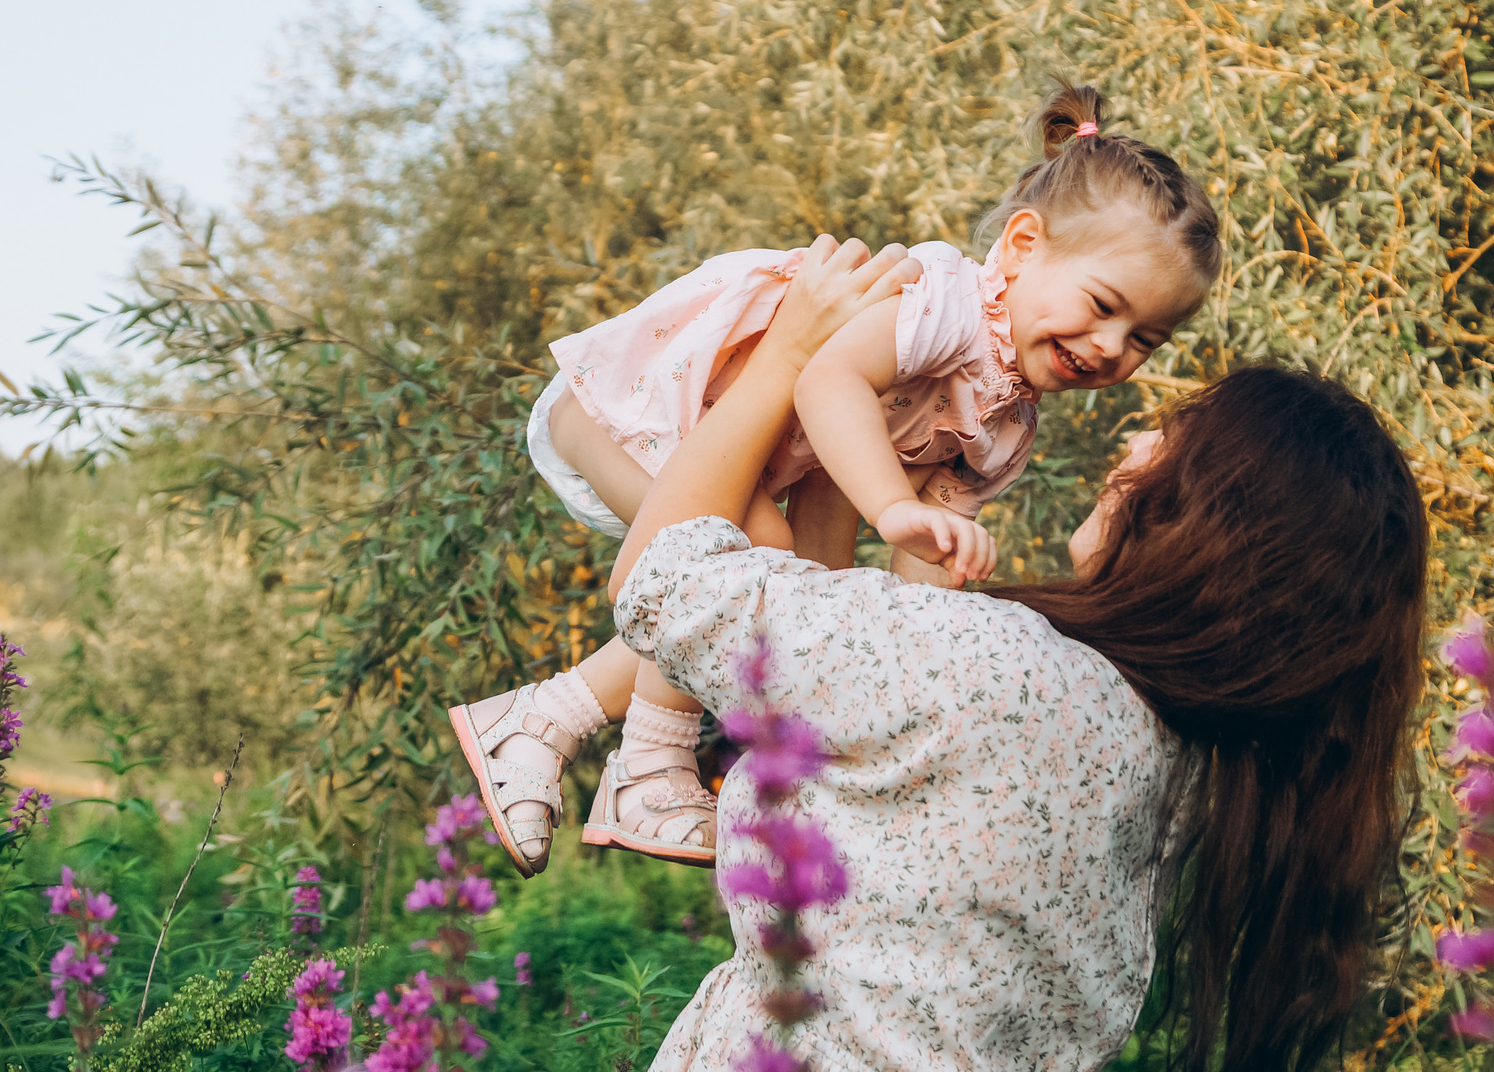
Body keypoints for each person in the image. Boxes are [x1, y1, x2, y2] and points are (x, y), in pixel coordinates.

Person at [574, 235, 1431, 1072]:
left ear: (1214, 513)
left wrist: (790, 354)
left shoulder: (997, 665)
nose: (1132, 445)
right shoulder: (1187, 770)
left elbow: (663, 579)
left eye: (1171, 435)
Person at [449, 85, 1223, 872]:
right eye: (1102, 305)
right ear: (1022, 247)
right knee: (758, 549)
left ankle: (540, 719)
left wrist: (926, 628)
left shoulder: (1007, 423)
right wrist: (890, 506)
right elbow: (827, 382)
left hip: (722, 453)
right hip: (648, 400)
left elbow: (922, 554)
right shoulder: (942, 303)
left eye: (1144, 339)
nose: (1109, 345)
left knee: (798, 589)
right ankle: (648, 764)